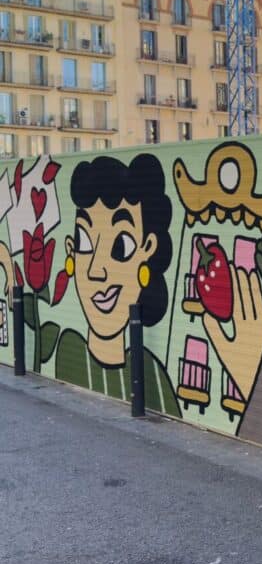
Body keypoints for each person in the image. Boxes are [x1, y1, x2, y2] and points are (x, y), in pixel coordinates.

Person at [55, 154, 181, 417]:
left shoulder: (155, 376)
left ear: (147, 249)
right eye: (85, 242)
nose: (96, 270)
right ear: (71, 249)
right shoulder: (65, 348)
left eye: (121, 245)